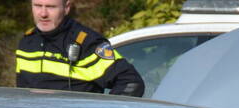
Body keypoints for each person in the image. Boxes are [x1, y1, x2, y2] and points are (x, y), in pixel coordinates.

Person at [16, 0, 144, 96]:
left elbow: (131, 83)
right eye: (37, 6)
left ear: (66, 8)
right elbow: (21, 96)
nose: (43, 14)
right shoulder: (26, 43)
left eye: (51, 7)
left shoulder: (87, 43)